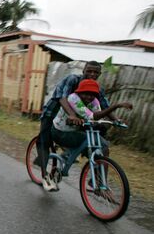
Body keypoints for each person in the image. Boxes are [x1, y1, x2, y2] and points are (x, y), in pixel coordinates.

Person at [37, 61, 121, 191]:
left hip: (78, 117)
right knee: (44, 141)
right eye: (89, 71)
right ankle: (45, 176)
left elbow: (103, 106)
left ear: (99, 74)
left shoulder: (97, 89)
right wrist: (72, 115)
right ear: (84, 71)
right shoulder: (72, 80)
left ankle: (97, 181)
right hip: (54, 113)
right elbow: (62, 98)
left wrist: (116, 120)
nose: (92, 74)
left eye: (95, 72)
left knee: (98, 140)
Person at [48, 79, 132, 191]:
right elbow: (92, 116)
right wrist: (116, 106)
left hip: (75, 131)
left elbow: (98, 117)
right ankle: (68, 156)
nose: (89, 96)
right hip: (60, 132)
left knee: (103, 146)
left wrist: (116, 121)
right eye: (85, 93)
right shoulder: (73, 98)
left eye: (92, 94)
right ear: (79, 92)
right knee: (88, 141)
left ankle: (98, 181)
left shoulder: (94, 101)